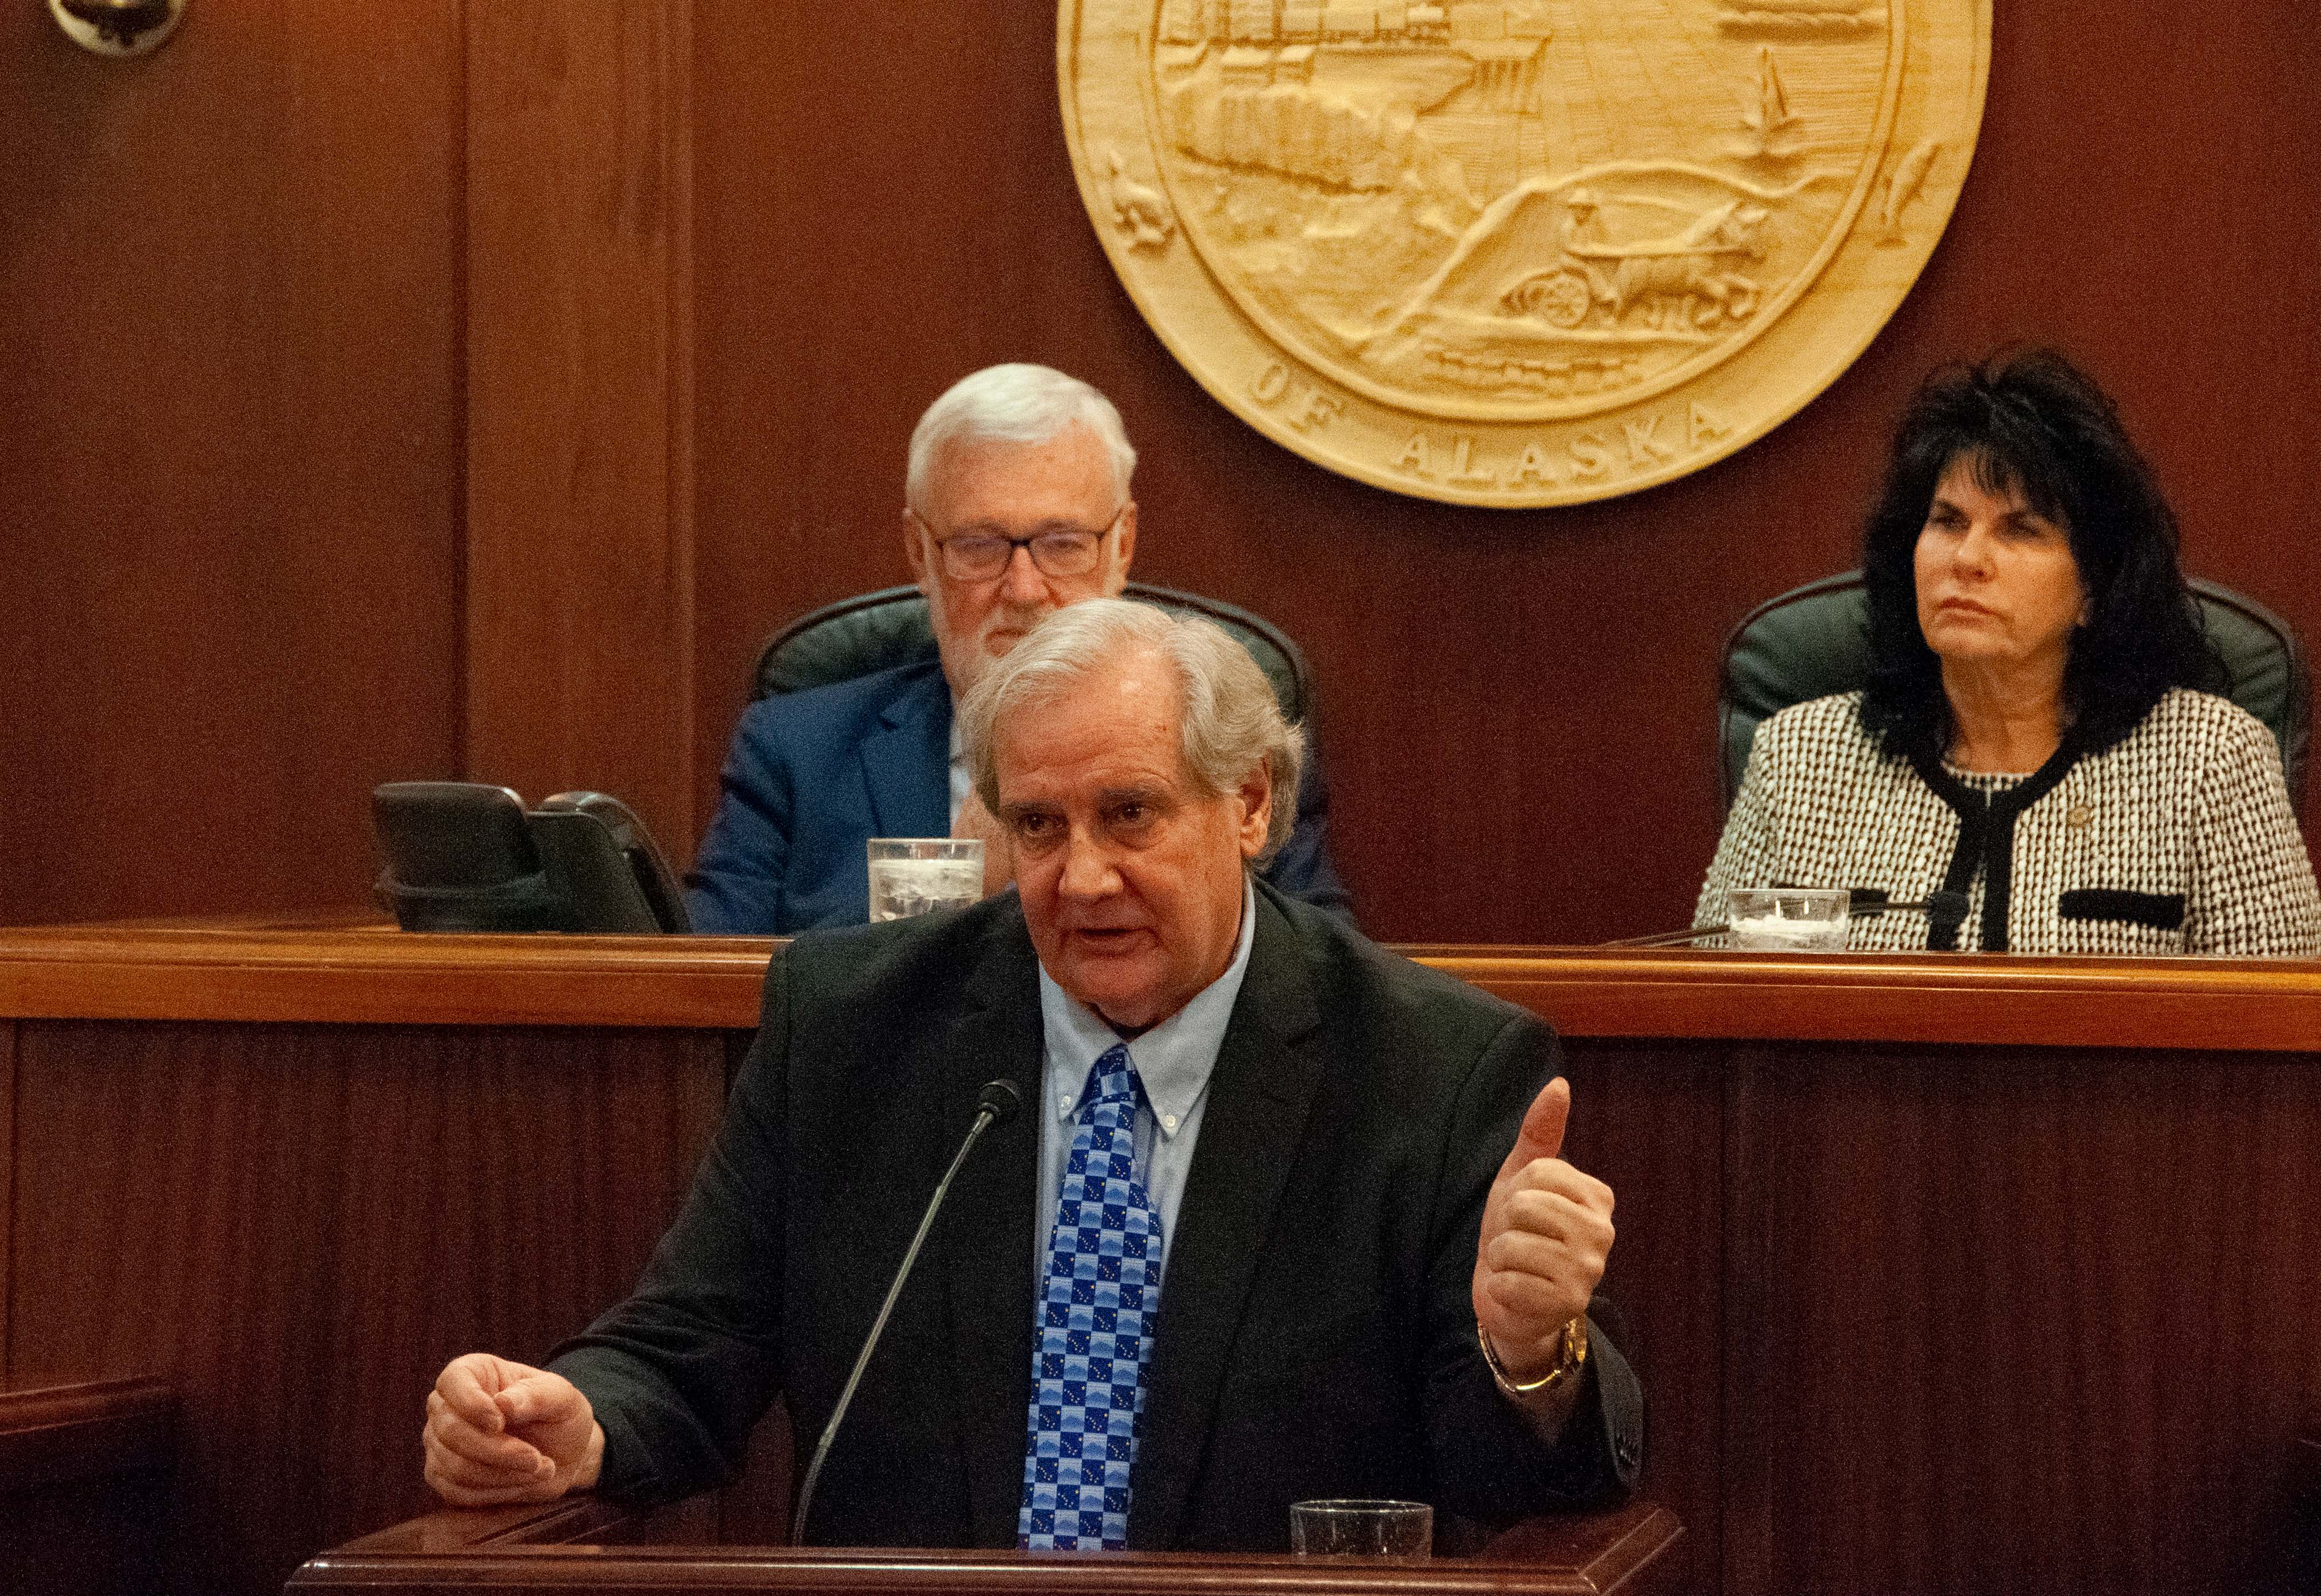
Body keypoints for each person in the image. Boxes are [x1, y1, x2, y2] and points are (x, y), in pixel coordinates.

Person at [424, 598, 1644, 1550]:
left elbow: (1522, 1482)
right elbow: (691, 1341)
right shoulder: (852, 1026)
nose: (1082, 878)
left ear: (1249, 804)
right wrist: (574, 1419)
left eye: (1130, 814)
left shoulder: (1432, 1067)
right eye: (1040, 826)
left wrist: (1529, 1355)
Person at [685, 363, 1353, 933]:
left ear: (1121, 546)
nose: (1025, 589)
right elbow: (697, 986)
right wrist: (955, 895)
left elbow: (1316, 977)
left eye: (1062, 543)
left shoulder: (1235, 737)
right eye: (979, 545)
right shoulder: (795, 752)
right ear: (920, 553)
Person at [1698, 349, 2321, 955]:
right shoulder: (1797, 761)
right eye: (1948, 522)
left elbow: (2275, 1015)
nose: (1967, 558)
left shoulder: (2208, 761)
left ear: (2093, 588)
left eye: (2021, 530)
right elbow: (1722, 1007)